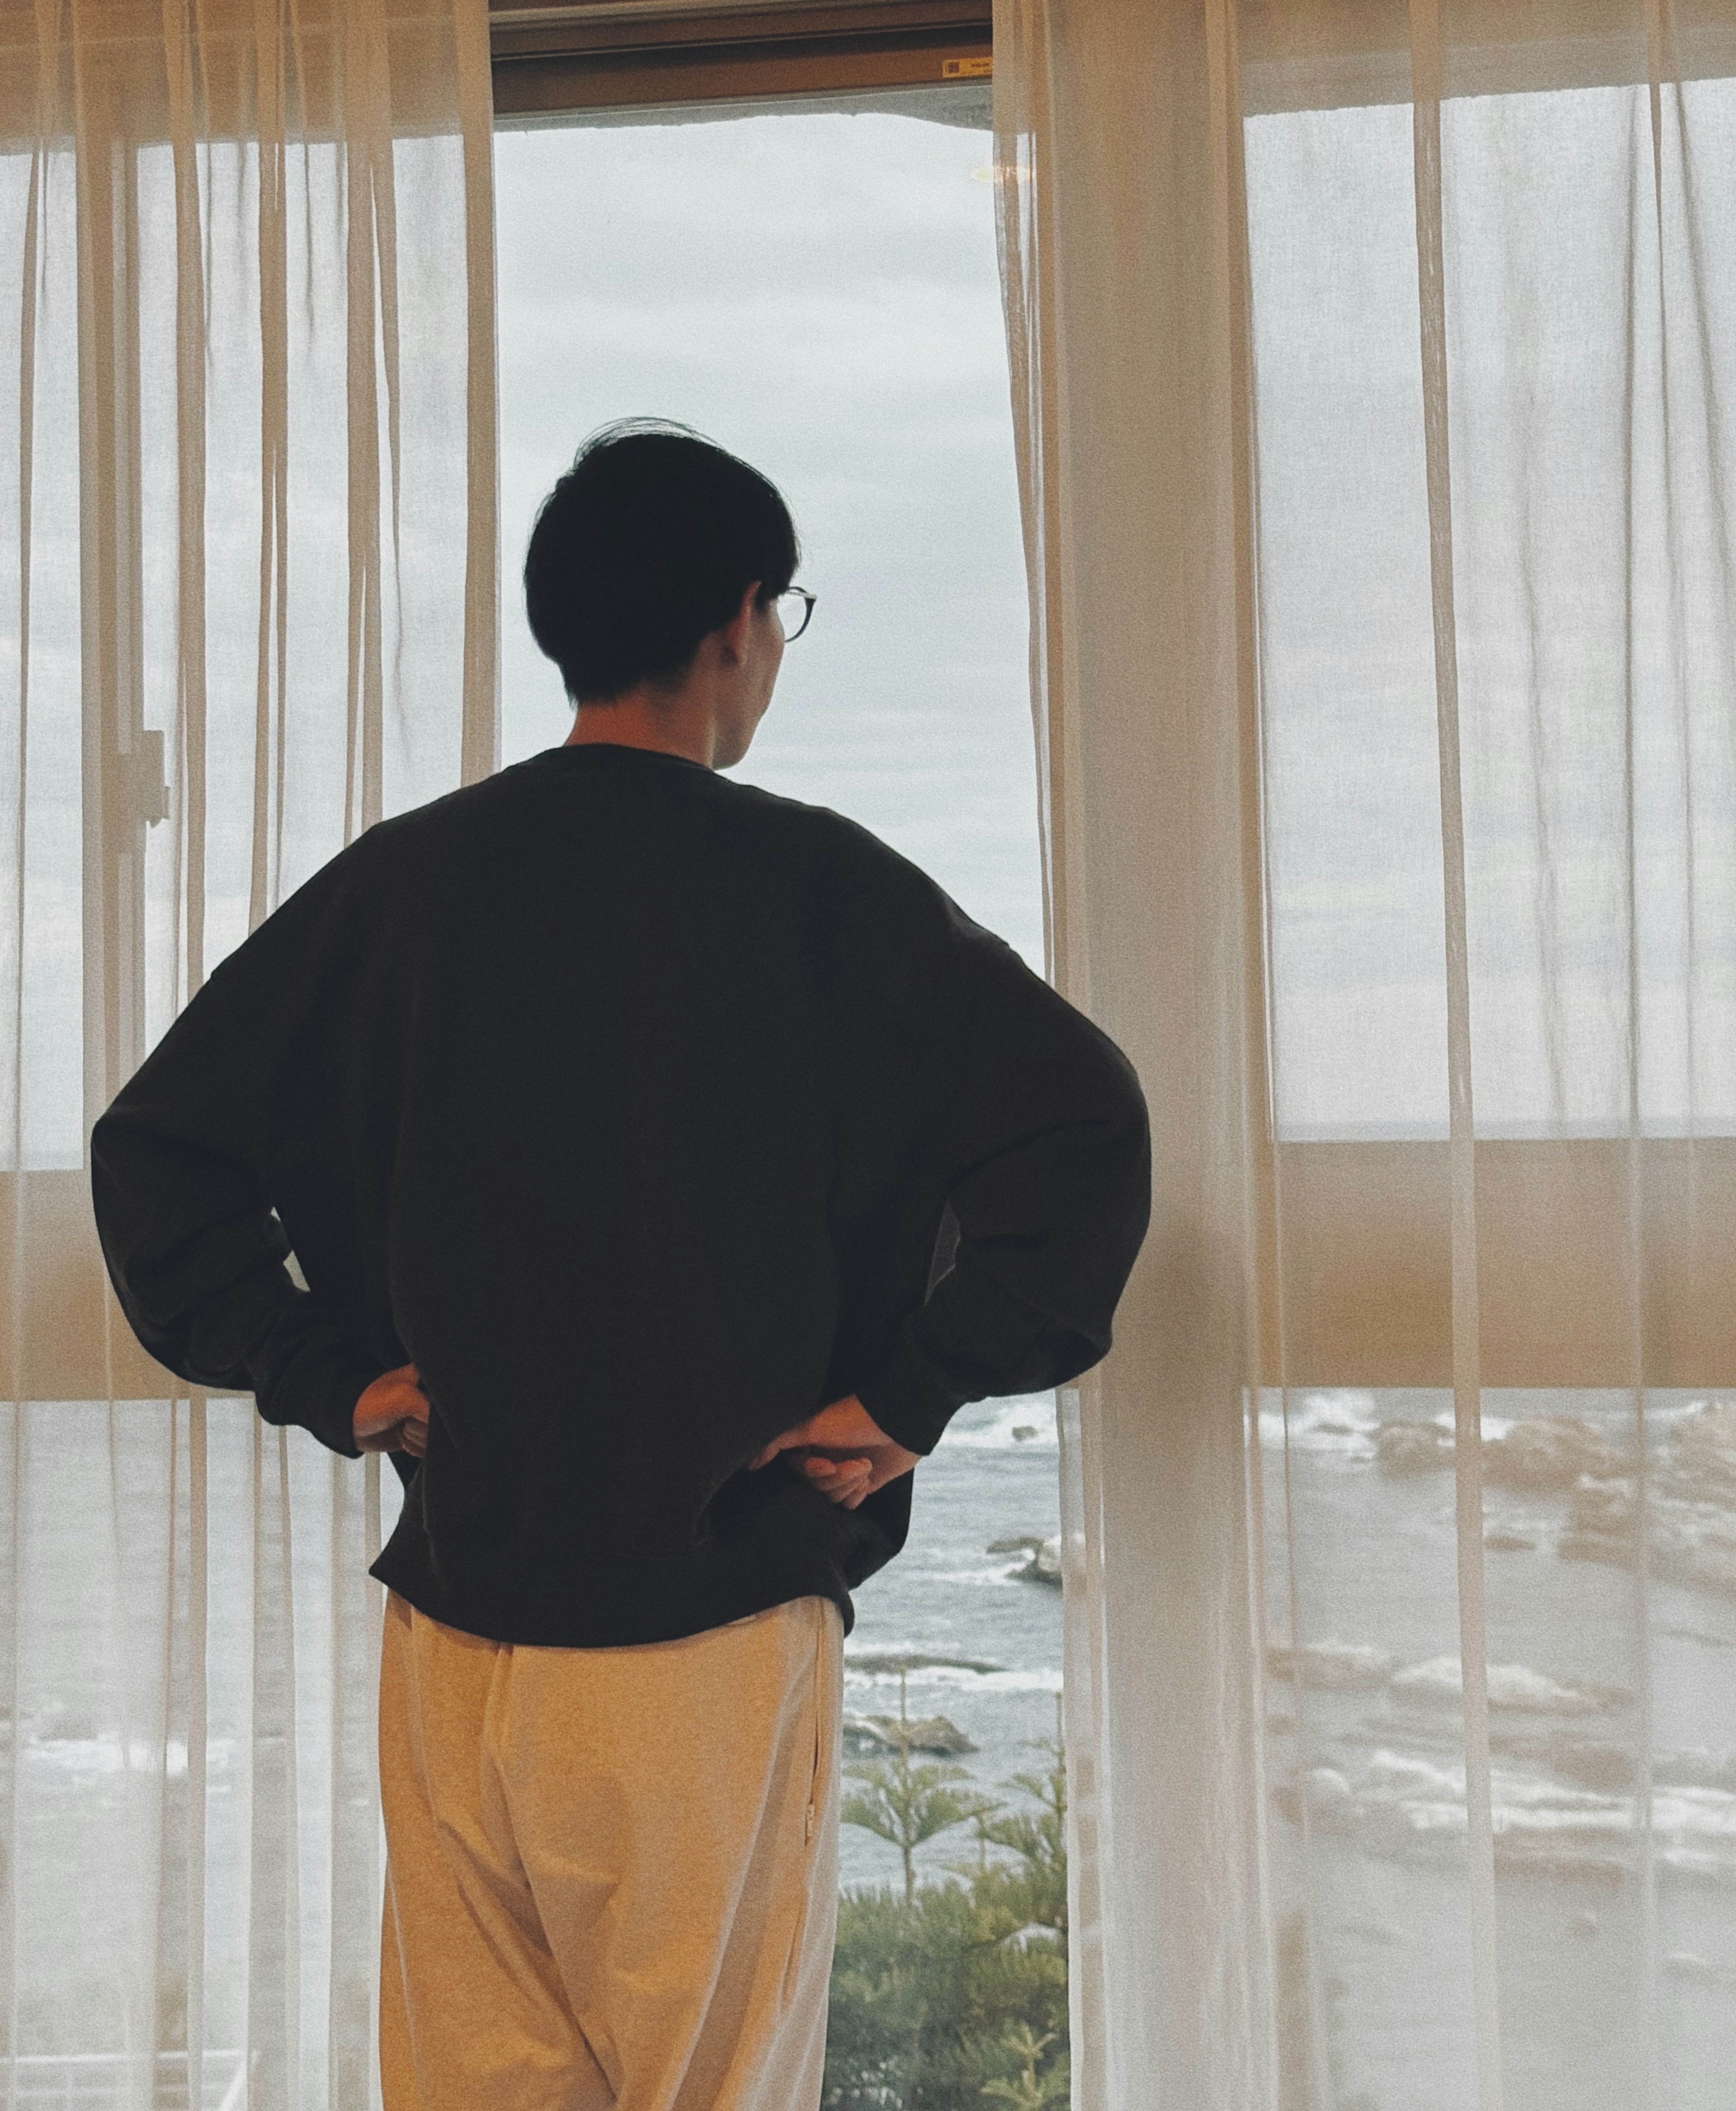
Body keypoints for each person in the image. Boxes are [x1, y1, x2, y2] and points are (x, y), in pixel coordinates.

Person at [91, 416, 1151, 2111]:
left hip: (459, 1644)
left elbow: (157, 1151)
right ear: (739, 620)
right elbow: (1083, 1130)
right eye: (781, 623)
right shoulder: (814, 890)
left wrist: (325, 1377)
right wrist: (916, 1389)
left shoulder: (408, 888)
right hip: (707, 1631)